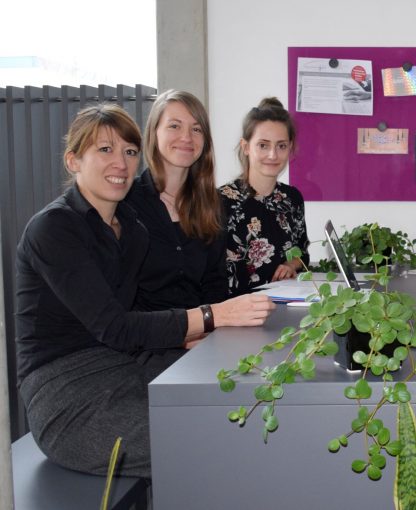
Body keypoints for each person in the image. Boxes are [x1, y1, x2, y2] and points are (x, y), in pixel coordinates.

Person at [15, 105, 275, 478]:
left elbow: (136, 317)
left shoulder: (131, 229)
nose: (120, 163)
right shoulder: (54, 229)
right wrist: (209, 317)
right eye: (104, 150)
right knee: (214, 438)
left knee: (246, 401)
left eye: (129, 152)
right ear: (73, 160)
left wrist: (190, 337)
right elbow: (116, 327)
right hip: (66, 391)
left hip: (123, 365)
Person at [125, 89, 227, 311]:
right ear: (154, 132)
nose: (187, 137)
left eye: (196, 129)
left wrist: (209, 330)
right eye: (174, 126)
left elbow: (215, 283)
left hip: (201, 336)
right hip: (143, 338)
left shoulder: (212, 203)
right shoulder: (126, 201)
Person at [219, 97, 310, 296]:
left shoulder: (292, 198)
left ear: (290, 148)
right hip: (235, 315)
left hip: (285, 308)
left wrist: (291, 265)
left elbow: (302, 253)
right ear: (246, 147)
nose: (273, 155)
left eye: (281, 146)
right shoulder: (221, 201)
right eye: (263, 145)